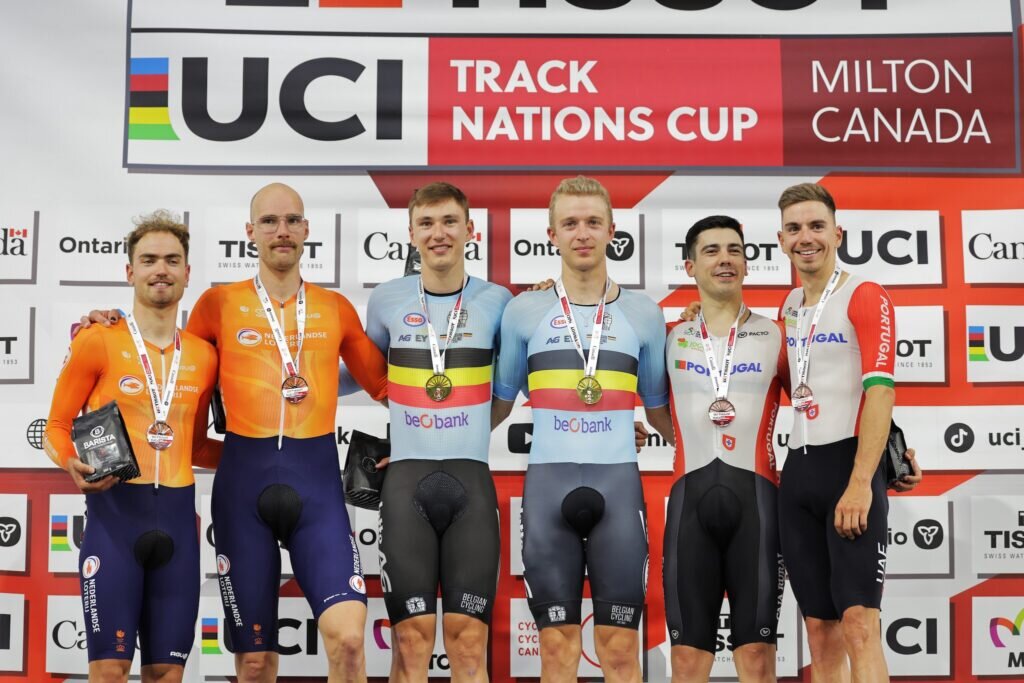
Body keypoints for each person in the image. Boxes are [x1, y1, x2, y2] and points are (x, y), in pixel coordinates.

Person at [81, 183, 389, 683]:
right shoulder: (217, 304)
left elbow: (385, 385)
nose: (281, 231)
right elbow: (167, 360)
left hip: (317, 491)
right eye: (269, 222)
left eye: (292, 220)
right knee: (253, 661)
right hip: (241, 490)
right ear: (250, 233)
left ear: (308, 230)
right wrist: (102, 324)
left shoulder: (335, 308)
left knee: (350, 640)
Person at [491, 176, 674, 683]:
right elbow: (496, 407)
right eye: (569, 223)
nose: (582, 233)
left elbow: (662, 415)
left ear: (612, 230)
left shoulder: (644, 313)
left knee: (619, 651)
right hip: (548, 488)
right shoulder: (522, 310)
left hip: (618, 487)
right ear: (551, 234)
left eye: (593, 222)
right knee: (555, 649)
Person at [341, 182, 511, 683]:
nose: (439, 233)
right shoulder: (387, 299)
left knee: (468, 641)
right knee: (411, 642)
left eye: (450, 222)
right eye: (427, 223)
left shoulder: (500, 301)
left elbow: (534, 368)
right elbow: (358, 373)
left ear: (469, 230)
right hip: (406, 482)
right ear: (410, 233)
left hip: (472, 481)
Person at [45, 212, 220, 683]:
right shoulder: (98, 340)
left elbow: (197, 445)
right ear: (129, 272)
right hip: (115, 521)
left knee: (167, 675)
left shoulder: (204, 356)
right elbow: (56, 426)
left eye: (171, 260)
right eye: (148, 260)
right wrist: (70, 463)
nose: (160, 269)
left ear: (187, 272)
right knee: (109, 671)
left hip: (180, 528)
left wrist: (263, 457)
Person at [775, 182, 900, 682]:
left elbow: (880, 391)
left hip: (848, 471)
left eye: (816, 226)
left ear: (838, 233)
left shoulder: (864, 294)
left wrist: (862, 478)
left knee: (859, 624)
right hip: (798, 473)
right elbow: (789, 381)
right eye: (794, 228)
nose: (806, 237)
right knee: (820, 630)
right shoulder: (787, 306)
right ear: (781, 240)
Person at [656, 215, 787, 683]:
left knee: (757, 659)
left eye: (734, 250)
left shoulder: (778, 335)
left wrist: (894, 449)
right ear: (689, 265)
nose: (725, 259)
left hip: (758, 505)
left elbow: (831, 396)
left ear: (748, 264)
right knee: (688, 661)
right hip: (689, 504)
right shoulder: (670, 333)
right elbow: (643, 405)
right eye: (711, 251)